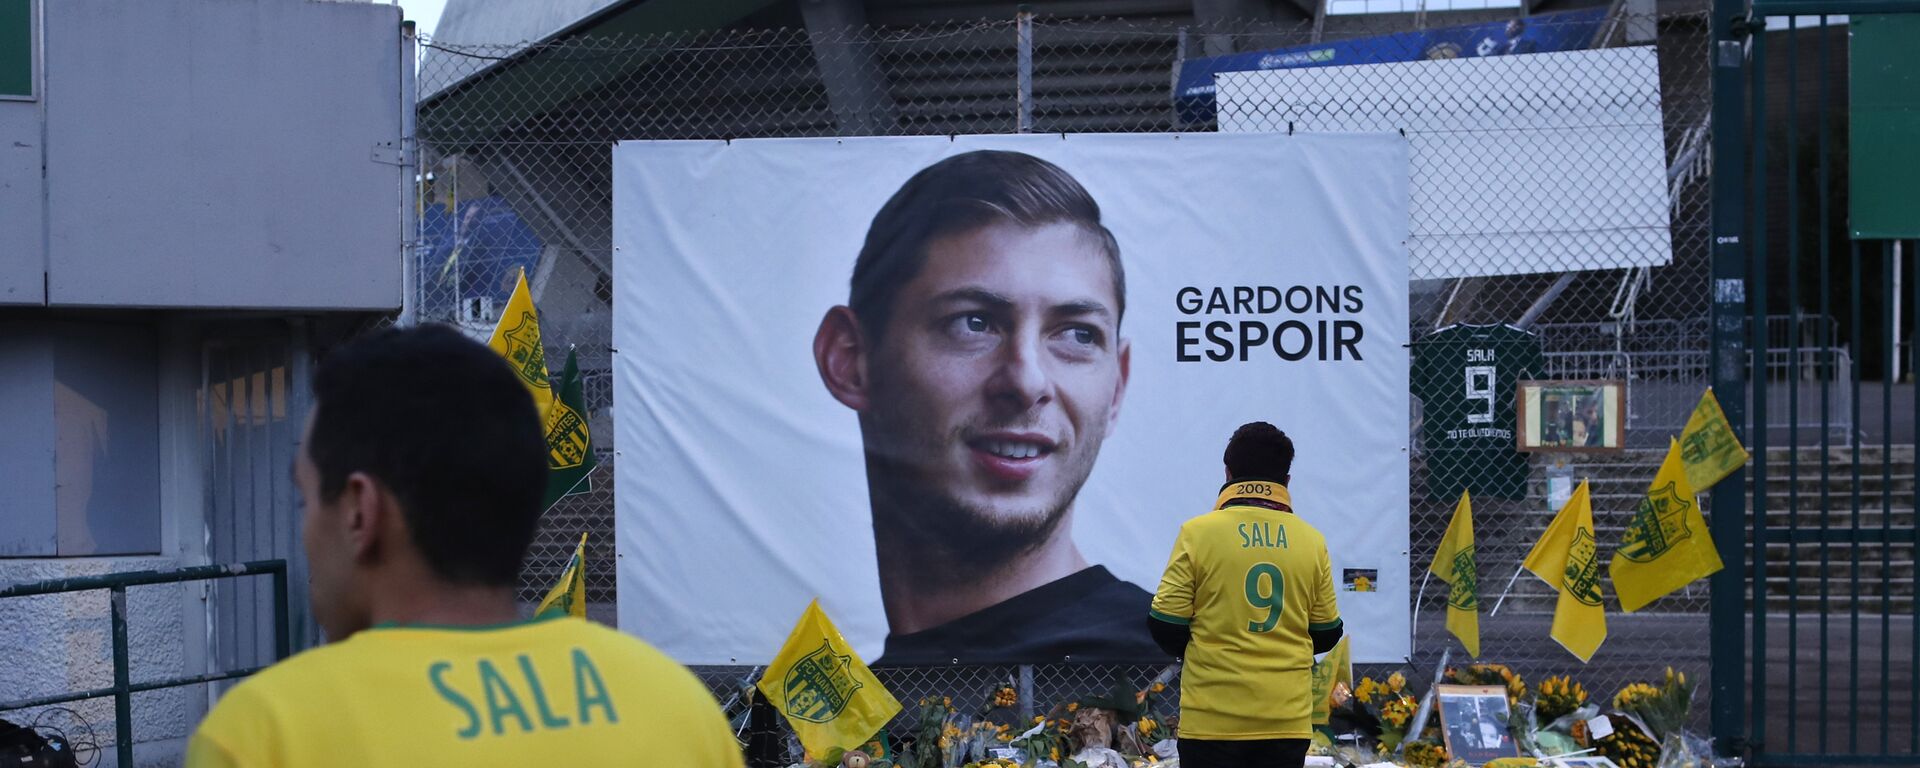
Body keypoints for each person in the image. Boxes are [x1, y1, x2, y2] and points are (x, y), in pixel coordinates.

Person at [185, 325, 742, 768]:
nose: (306, 532)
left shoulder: (266, 734)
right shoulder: (673, 706)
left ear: (360, 510)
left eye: (305, 501)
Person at [812, 149, 1159, 665]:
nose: (1026, 381)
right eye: (973, 323)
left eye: (1077, 334)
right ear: (851, 360)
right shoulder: (838, 707)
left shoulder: (1174, 679)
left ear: (1117, 387)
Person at [1147, 423, 1342, 768]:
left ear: (1228, 472)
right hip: (1285, 720)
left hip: (1211, 719)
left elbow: (1165, 623)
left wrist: (1207, 648)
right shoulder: (1311, 540)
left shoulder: (1197, 533)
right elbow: (1326, 633)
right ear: (1286, 481)